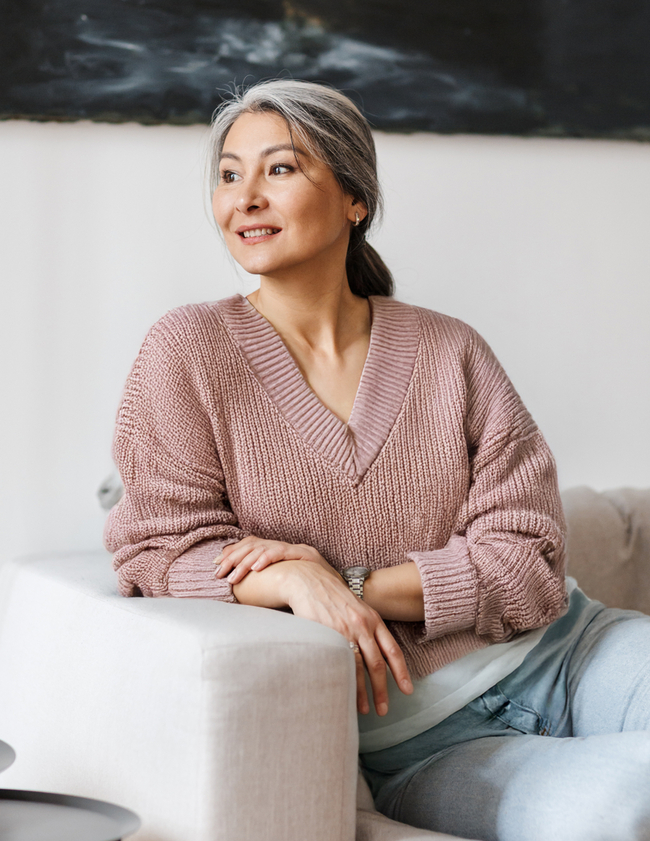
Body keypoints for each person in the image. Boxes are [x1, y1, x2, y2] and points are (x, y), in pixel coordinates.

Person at [104, 79, 650, 841]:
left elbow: (528, 557)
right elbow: (157, 550)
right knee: (618, 809)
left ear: (355, 198)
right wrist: (292, 578)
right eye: (229, 174)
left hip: (573, 653)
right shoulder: (186, 351)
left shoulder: (448, 347)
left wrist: (346, 585)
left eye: (279, 169)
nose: (245, 197)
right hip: (426, 743)